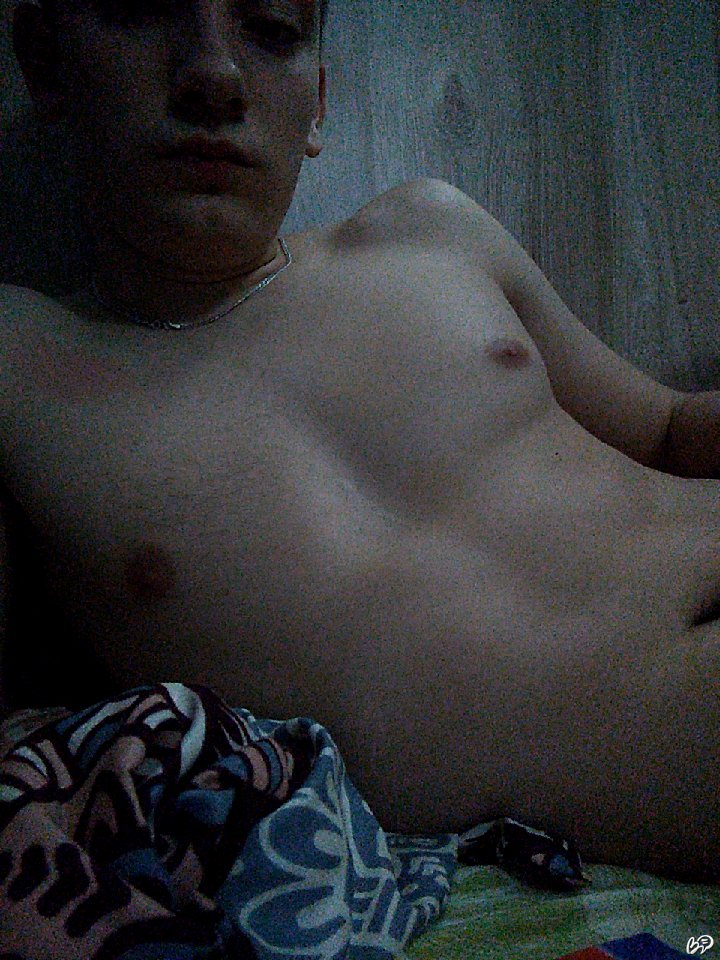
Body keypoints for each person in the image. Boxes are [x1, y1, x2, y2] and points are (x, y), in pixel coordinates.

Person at [2, 0, 718, 882]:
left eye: (271, 29)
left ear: (317, 104)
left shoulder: (428, 230)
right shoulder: (21, 364)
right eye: (145, 12)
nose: (215, 76)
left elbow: (670, 430)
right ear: (46, 62)